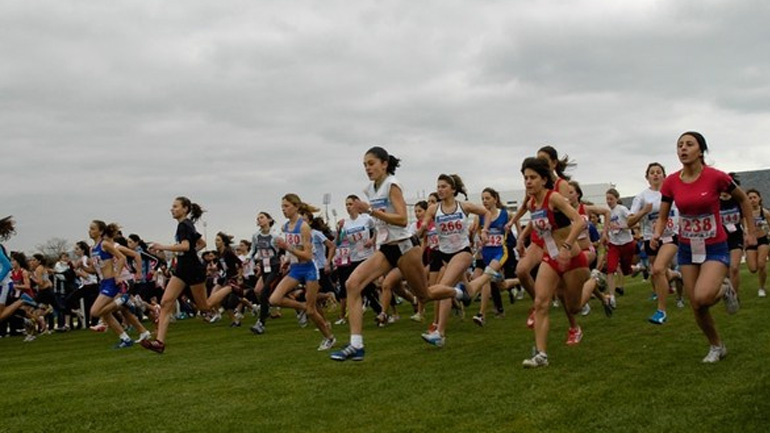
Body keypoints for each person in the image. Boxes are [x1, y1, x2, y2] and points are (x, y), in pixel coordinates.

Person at [652, 131, 756, 363]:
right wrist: (658, 234)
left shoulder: (716, 177)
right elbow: (662, 216)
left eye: (689, 144)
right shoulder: (670, 182)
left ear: (701, 151)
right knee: (696, 305)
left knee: (704, 296)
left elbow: (743, 200)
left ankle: (725, 289)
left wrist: (749, 231)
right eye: (680, 145)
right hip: (688, 248)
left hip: (715, 246)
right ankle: (716, 346)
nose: (683, 149)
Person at [330, 147, 430, 362]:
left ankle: (459, 293)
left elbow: (403, 219)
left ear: (384, 164)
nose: (367, 168)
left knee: (425, 296)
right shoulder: (370, 189)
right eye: (365, 164)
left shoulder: (391, 185)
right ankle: (356, 345)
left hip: (404, 247)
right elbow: (379, 222)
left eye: (371, 163)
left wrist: (370, 211)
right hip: (386, 249)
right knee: (352, 284)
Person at [141, 197, 233, 353]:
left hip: (193, 270)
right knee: (165, 302)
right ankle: (159, 342)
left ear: (185, 209)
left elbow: (185, 246)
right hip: (182, 270)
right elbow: (201, 244)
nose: (172, 209)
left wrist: (162, 246)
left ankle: (231, 287)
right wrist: (190, 253)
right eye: (172, 206)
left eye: (175, 206)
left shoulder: (184, 225)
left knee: (205, 307)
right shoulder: (186, 225)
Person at [519, 157, 587, 368]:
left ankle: (593, 281)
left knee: (573, 307)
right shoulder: (532, 203)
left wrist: (566, 247)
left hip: (573, 258)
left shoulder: (554, 198)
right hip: (551, 259)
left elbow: (579, 221)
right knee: (540, 303)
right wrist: (523, 237)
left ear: (544, 179)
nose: (528, 182)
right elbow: (537, 224)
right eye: (525, 178)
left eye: (533, 178)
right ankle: (541, 355)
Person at [418, 174, 491, 347]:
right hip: (444, 255)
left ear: (453, 189)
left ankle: (440, 333)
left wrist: (485, 230)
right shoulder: (434, 209)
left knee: (444, 286)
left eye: (443, 186)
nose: (440, 189)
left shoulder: (463, 206)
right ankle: (487, 276)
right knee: (468, 291)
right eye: (438, 186)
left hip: (463, 252)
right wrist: (417, 234)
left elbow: (486, 212)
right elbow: (424, 226)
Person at [268, 194, 337, 351]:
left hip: (309, 269)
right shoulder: (286, 227)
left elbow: (307, 255)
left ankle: (329, 338)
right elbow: (292, 250)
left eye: (286, 206)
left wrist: (287, 248)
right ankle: (302, 306)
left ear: (296, 206)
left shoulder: (304, 227)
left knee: (312, 311)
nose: (283, 210)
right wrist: (286, 258)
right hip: (295, 269)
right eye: (282, 207)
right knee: (274, 299)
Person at [627, 163, 680, 324]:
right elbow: (629, 221)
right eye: (652, 172)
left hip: (671, 236)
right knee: (657, 272)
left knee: (658, 269)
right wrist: (644, 211)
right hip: (651, 239)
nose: (655, 175)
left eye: (659, 172)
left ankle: (662, 310)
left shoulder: (673, 192)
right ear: (647, 177)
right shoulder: (642, 197)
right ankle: (677, 275)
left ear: (664, 175)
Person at [248, 212, 283, 334]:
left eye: (262, 217)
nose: (259, 220)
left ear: (269, 219)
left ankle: (261, 323)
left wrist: (284, 260)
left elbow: (283, 249)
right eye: (257, 218)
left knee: (264, 293)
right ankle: (300, 308)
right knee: (261, 292)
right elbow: (253, 250)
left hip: (274, 265)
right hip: (264, 266)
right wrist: (248, 258)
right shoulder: (256, 235)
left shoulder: (275, 235)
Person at [0, 217, 38, 324]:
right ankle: (33, 320)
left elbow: (7, 265)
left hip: (3, 284)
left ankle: (22, 300)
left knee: (0, 316)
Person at [604, 188, 634, 308]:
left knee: (627, 271)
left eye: (611, 199)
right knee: (610, 268)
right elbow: (606, 227)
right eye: (607, 199)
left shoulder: (622, 209)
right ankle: (612, 297)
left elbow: (634, 222)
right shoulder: (607, 213)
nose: (609, 201)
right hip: (614, 244)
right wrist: (605, 235)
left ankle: (640, 268)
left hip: (627, 243)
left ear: (617, 198)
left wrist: (620, 226)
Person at [745, 189, 770, 297]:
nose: (752, 200)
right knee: (753, 269)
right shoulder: (746, 213)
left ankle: (761, 288)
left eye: (754, 197)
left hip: (763, 239)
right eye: (750, 198)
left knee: (761, 264)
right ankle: (748, 258)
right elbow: (744, 226)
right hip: (751, 241)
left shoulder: (765, 213)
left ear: (759, 198)